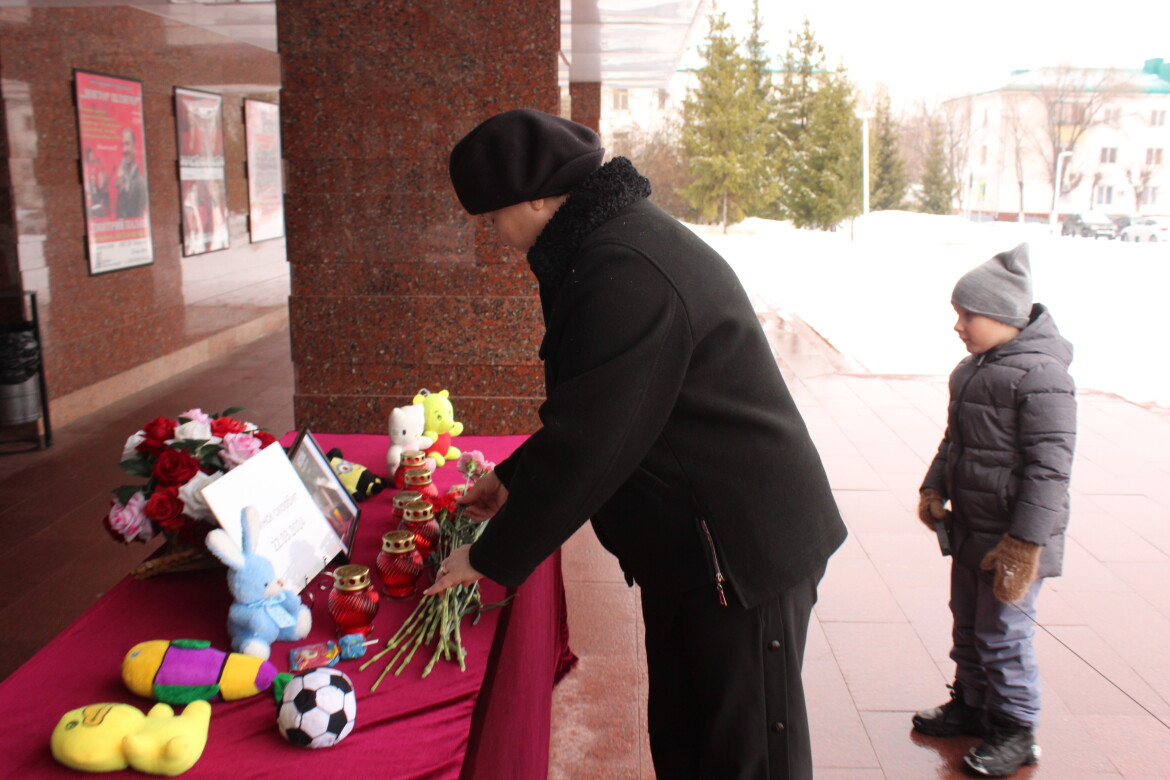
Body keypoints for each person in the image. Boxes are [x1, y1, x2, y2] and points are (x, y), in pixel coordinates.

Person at [426, 108, 847, 779]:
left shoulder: (623, 264)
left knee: (744, 758)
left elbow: (594, 441)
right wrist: (512, 479)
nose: (496, 235)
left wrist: (493, 555)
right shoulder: (605, 244)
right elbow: (605, 405)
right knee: (686, 738)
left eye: (492, 216)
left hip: (740, 550)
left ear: (535, 197)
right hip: (696, 550)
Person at [913, 243, 1076, 777]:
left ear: (1004, 315)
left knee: (1004, 634)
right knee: (968, 624)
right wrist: (934, 488)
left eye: (968, 315)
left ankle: (1015, 729)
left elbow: (1050, 470)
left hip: (1013, 540)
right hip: (971, 529)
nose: (958, 326)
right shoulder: (971, 371)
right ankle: (972, 703)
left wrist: (1024, 546)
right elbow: (953, 442)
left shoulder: (1043, 376)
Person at [115, 126, 148, 219]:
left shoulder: (141, 182)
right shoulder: (122, 177)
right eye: (123, 145)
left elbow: (140, 216)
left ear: (134, 146)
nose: (124, 150)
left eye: (127, 144)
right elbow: (119, 213)